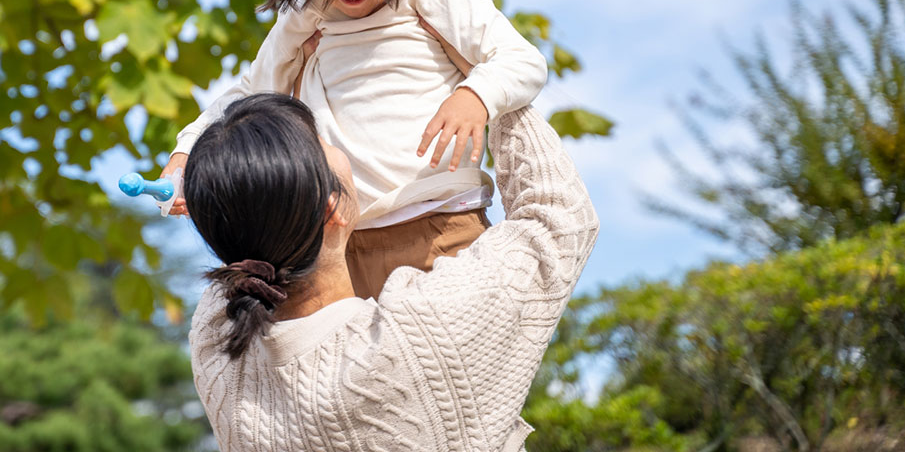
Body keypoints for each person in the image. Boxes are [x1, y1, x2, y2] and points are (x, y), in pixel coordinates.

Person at [163, 0, 549, 298]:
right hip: (339, 242)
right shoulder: (304, 20)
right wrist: (188, 152)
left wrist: (476, 95)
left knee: (453, 353)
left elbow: (522, 59)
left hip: (441, 225)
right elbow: (248, 97)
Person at [183, 91, 599, 452]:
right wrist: (490, 83)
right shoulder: (420, 335)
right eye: (325, 141)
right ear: (331, 205)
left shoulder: (215, 352)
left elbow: (241, 229)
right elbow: (558, 219)